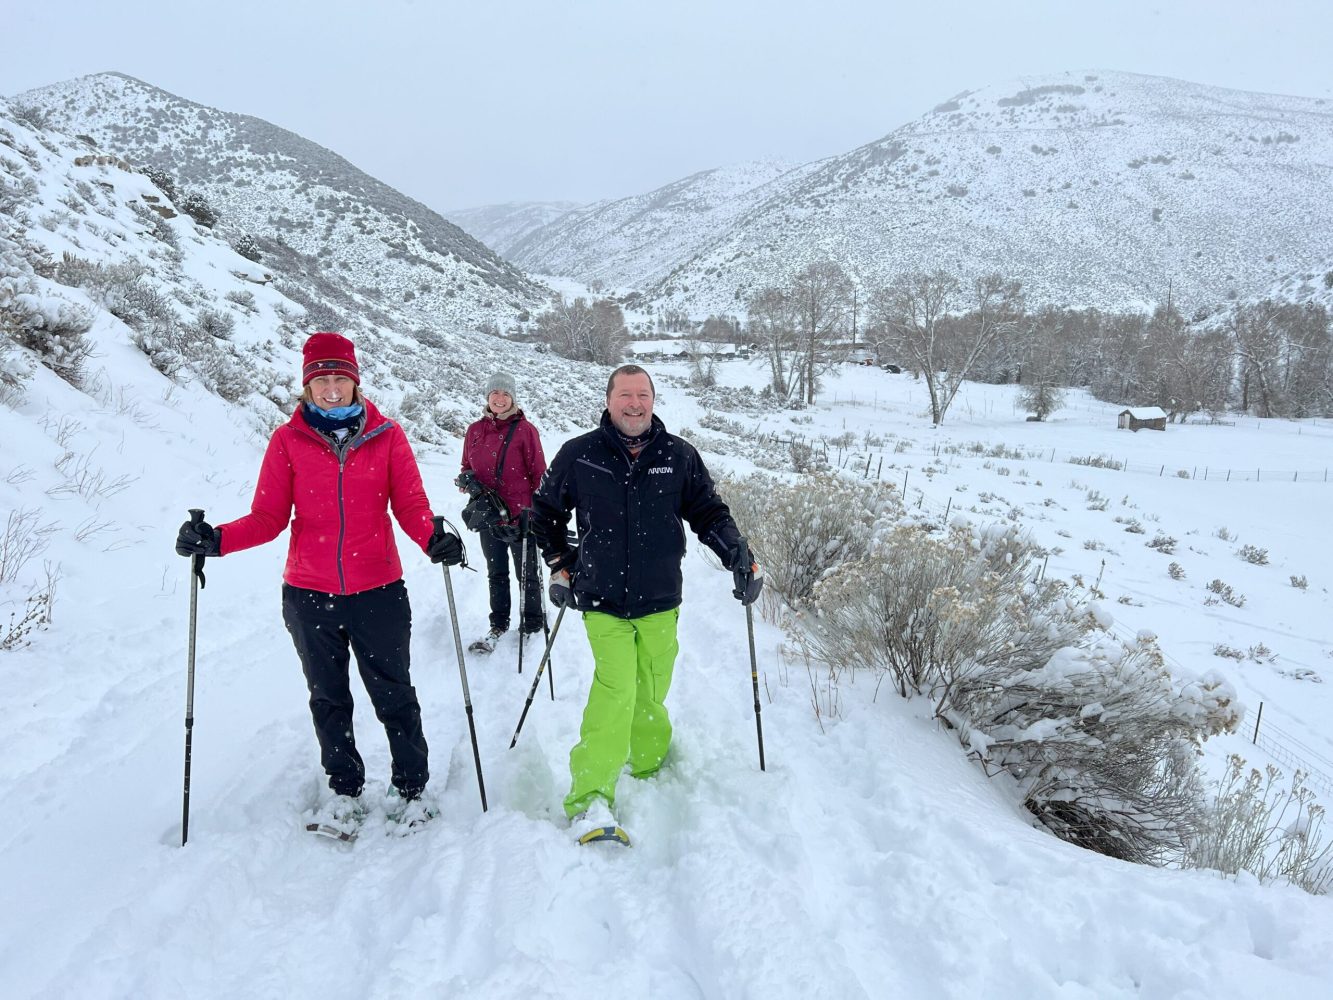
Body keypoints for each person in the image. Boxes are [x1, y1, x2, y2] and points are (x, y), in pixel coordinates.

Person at [174, 331, 464, 835]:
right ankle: (345, 790)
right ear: (307, 386)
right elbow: (267, 518)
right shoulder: (287, 441)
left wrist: (432, 537)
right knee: (328, 698)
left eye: (341, 379)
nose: (332, 389)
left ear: (356, 381)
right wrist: (214, 539)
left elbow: (411, 507)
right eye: (321, 380)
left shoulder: (388, 435)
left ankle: (411, 787)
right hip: (309, 595)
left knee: (394, 693)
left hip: (378, 591)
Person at [529, 363, 763, 845]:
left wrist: (736, 552)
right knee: (615, 691)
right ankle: (590, 798)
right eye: (625, 396)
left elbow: (707, 511)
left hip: (660, 600)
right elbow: (545, 511)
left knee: (651, 687)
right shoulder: (580, 454)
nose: (634, 405)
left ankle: (649, 759)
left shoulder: (678, 455)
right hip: (602, 599)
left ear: (653, 401)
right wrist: (560, 560)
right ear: (609, 399)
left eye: (643, 396)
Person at [460, 371, 547, 653]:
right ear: (488, 397)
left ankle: (532, 623)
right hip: (489, 516)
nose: (499, 398)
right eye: (495, 393)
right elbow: (466, 466)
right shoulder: (475, 430)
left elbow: (538, 475)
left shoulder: (525, 431)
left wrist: (536, 513)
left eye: (505, 394)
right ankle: (498, 623)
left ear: (513, 398)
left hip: (522, 516)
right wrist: (466, 480)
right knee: (495, 572)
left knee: (528, 574)